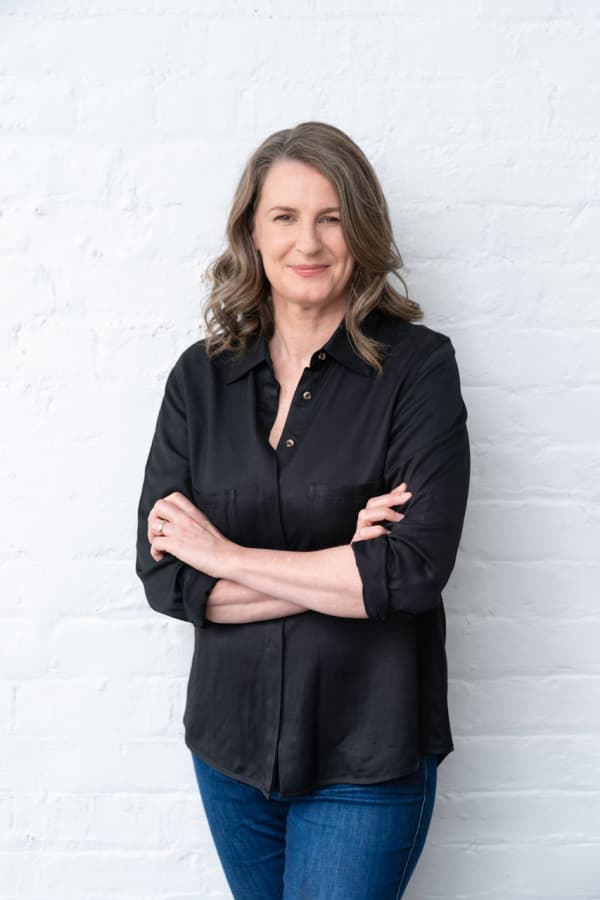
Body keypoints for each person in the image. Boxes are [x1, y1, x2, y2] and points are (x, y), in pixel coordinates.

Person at [135, 121, 470, 900]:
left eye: (331, 216)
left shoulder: (418, 371)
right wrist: (339, 564)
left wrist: (223, 555)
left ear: (362, 229)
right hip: (230, 752)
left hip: (366, 755)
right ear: (252, 232)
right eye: (285, 216)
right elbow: (163, 578)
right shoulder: (199, 381)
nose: (308, 241)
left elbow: (410, 573)